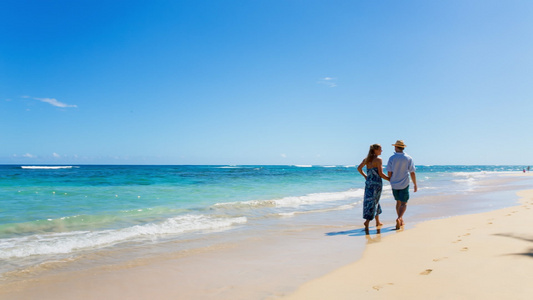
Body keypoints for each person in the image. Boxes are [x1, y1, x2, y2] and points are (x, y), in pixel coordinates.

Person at [358, 144, 390, 229]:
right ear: (375, 150)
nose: (381, 151)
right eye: (380, 149)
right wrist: (389, 179)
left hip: (369, 183)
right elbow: (381, 174)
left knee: (372, 201)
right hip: (376, 184)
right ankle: (367, 221)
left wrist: (366, 176)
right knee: (375, 201)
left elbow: (359, 168)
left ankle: (378, 222)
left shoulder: (367, 159)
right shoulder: (378, 159)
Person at [387, 140, 417, 229]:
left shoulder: (392, 158)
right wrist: (415, 184)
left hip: (394, 184)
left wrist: (390, 180)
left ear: (396, 147)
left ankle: (400, 219)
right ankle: (400, 218)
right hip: (404, 183)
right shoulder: (408, 158)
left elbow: (389, 172)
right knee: (404, 203)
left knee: (398, 202)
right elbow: (412, 172)